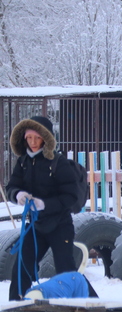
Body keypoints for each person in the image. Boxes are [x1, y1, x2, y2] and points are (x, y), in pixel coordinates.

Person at [5, 116, 81, 300]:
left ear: (45, 138)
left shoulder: (58, 162)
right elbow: (11, 187)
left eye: (37, 138)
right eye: (29, 137)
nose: (33, 142)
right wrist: (18, 194)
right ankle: (16, 308)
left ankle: (85, 305)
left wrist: (44, 204)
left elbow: (71, 196)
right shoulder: (22, 162)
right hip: (35, 226)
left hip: (60, 225)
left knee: (66, 269)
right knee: (21, 267)